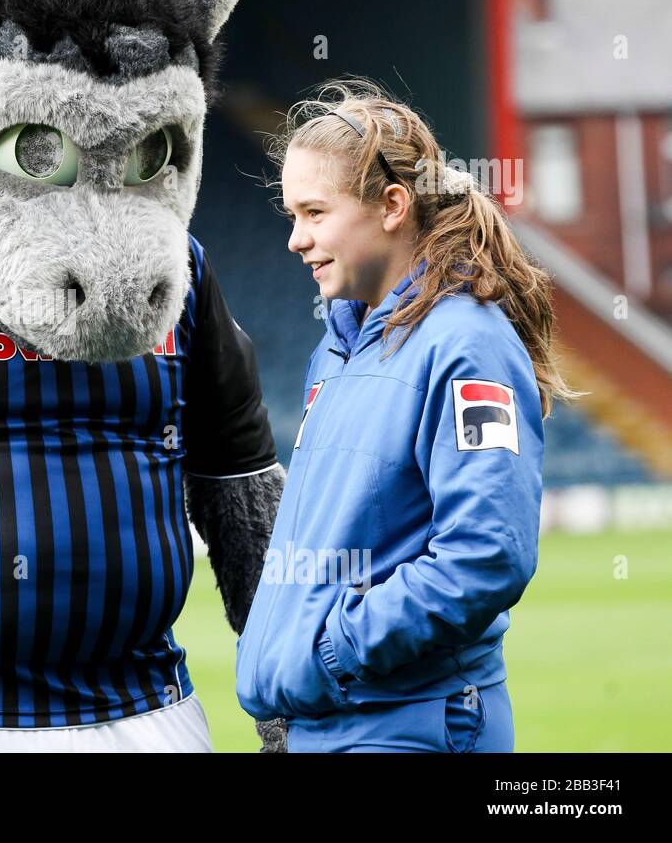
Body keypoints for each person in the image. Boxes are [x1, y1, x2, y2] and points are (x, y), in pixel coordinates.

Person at [235, 79, 579, 752]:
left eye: (314, 212)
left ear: (392, 205)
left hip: (402, 727)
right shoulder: (337, 345)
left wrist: (331, 652)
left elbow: (484, 555)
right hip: (320, 728)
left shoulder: (466, 344)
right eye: (290, 216)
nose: (295, 240)